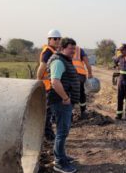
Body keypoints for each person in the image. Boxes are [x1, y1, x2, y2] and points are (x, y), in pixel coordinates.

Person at [47, 37, 80, 173]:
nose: (73, 51)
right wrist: (65, 97)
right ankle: (59, 163)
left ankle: (61, 156)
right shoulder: (58, 61)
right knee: (62, 132)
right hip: (61, 102)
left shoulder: (64, 60)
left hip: (64, 101)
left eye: (74, 48)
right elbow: (55, 82)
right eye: (70, 48)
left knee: (63, 131)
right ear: (62, 48)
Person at [37, 29, 61, 141]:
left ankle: (48, 134)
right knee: (47, 112)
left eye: (59, 39)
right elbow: (41, 69)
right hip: (47, 87)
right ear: (49, 39)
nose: (57, 41)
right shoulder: (48, 52)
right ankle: (48, 136)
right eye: (55, 38)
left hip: (50, 85)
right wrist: (40, 79)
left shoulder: (53, 51)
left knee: (49, 112)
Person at [72, 45, 93, 119]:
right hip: (81, 75)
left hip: (70, 74)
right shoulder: (79, 50)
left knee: (69, 93)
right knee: (81, 93)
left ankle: (70, 114)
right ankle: (83, 112)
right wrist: (90, 73)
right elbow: (87, 63)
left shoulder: (63, 48)